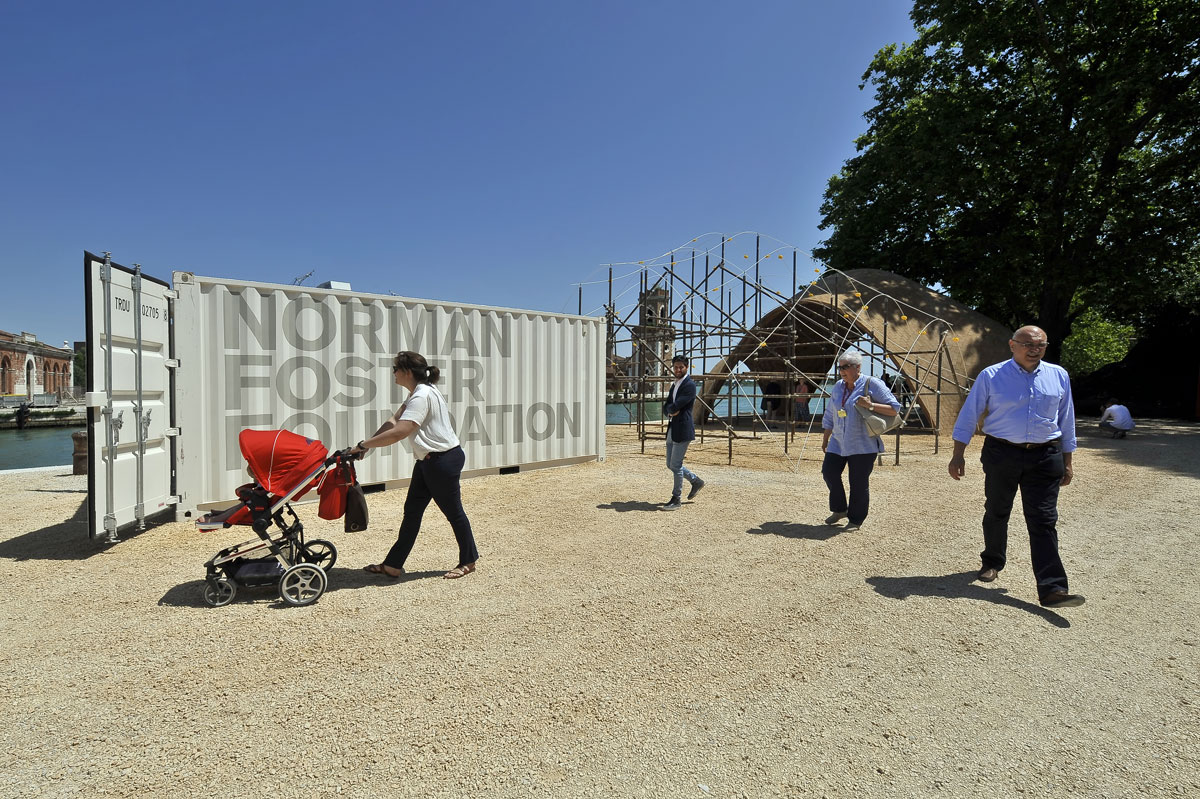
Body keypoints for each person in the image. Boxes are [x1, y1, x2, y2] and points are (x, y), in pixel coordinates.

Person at [947, 326, 1084, 609]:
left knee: (1044, 520)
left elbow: (1066, 418)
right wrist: (957, 454)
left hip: (1045, 455)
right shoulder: (991, 375)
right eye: (1028, 344)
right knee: (997, 510)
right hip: (1002, 452)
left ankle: (1053, 589)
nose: (1034, 349)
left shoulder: (1058, 375)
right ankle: (992, 561)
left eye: (1041, 345)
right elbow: (969, 414)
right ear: (1012, 345)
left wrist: (1068, 461)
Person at [354, 351, 479, 580]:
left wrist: (364, 444)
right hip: (428, 461)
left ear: (407, 372)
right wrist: (366, 446)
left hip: (442, 461)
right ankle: (393, 565)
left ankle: (468, 561)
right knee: (412, 513)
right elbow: (393, 422)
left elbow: (401, 431)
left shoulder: (422, 395)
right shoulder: (418, 393)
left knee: (454, 512)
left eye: (395, 369)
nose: (393, 373)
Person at [820, 351, 900, 532]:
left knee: (858, 482)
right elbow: (830, 414)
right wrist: (826, 438)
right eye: (839, 367)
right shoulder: (838, 387)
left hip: (863, 444)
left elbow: (894, 409)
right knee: (829, 472)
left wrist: (870, 405)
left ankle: (856, 520)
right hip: (838, 441)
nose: (841, 371)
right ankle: (840, 509)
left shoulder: (872, 384)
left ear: (857, 367)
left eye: (845, 367)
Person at [661, 354, 704, 510]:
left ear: (687, 367)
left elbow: (677, 404)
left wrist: (671, 409)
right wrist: (671, 411)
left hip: (683, 428)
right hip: (673, 427)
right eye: (676, 367)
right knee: (670, 464)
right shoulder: (675, 384)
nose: (678, 369)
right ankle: (695, 481)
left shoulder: (689, 385)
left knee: (676, 464)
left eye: (681, 367)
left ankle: (676, 498)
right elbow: (667, 406)